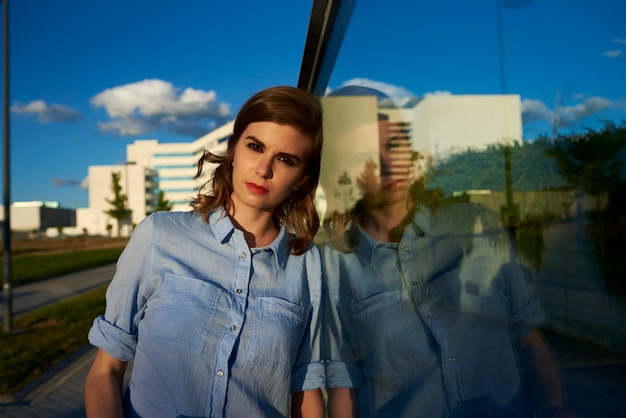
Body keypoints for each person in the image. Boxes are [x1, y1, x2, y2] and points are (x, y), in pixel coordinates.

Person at [320, 86, 574, 418]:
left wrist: (556, 409)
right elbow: (344, 384)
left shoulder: (474, 224)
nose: (387, 163)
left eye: (394, 145)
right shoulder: (337, 264)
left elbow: (527, 335)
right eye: (365, 155)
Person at [84, 86, 325, 418]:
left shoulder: (308, 265)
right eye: (255, 147)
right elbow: (105, 371)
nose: (263, 169)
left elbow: (306, 392)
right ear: (233, 149)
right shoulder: (159, 235)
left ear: (302, 178)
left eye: (286, 159)